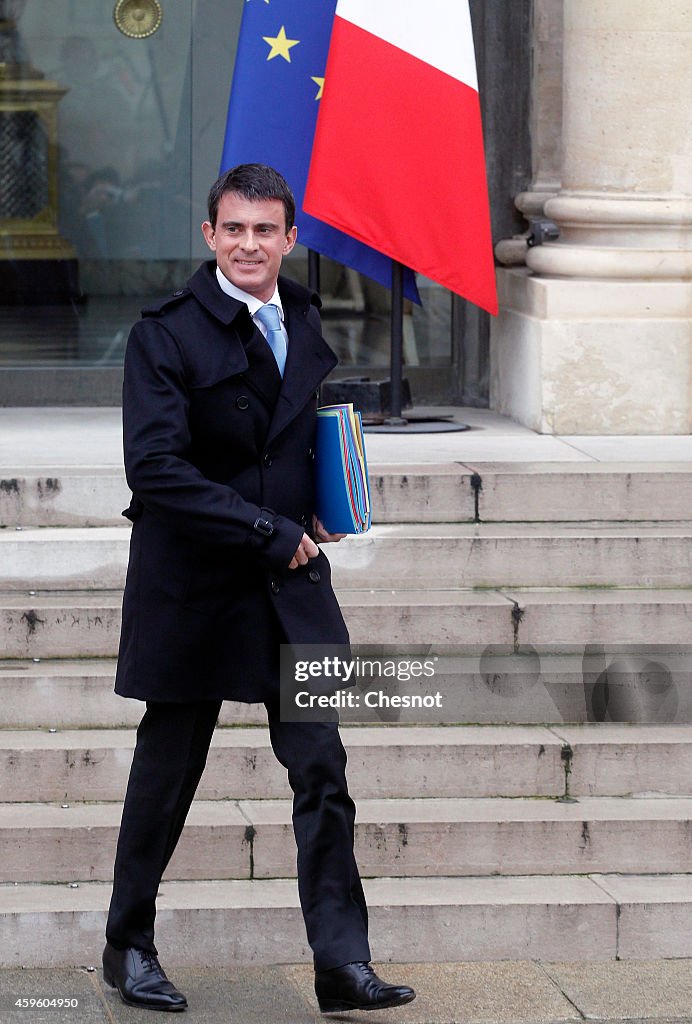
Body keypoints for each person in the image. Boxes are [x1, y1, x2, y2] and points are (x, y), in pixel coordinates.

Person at [102, 163, 416, 1015]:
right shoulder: (163, 335)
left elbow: (288, 443)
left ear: (289, 238)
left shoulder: (304, 318)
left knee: (324, 770)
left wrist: (323, 507)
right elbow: (156, 471)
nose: (248, 244)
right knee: (166, 776)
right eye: (233, 229)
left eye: (264, 230)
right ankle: (127, 945)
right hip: (194, 585)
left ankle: (341, 963)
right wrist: (270, 533)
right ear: (210, 236)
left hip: (291, 584)